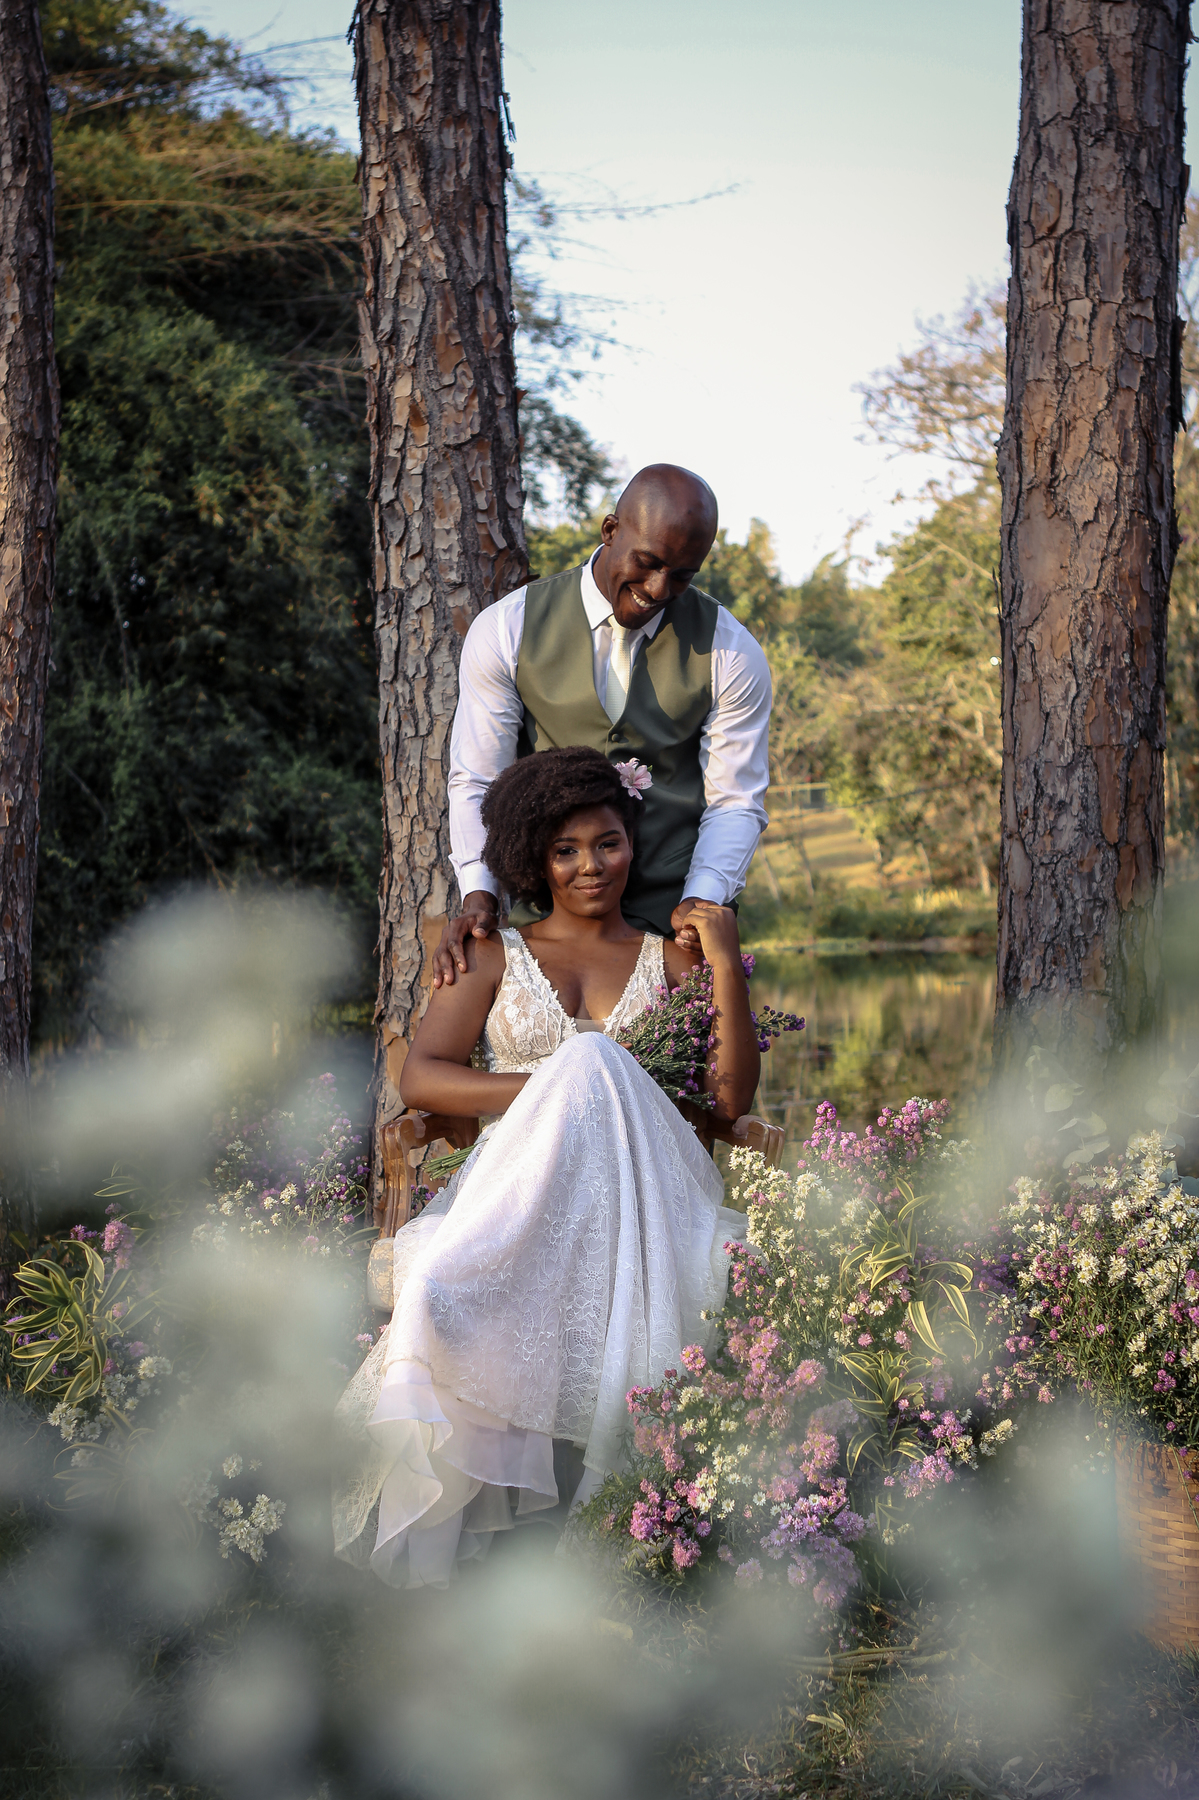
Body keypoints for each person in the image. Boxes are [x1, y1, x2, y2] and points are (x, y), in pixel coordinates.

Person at [333, 747, 761, 1588]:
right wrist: (556, 1086)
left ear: (631, 842)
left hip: (643, 1192)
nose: (590, 865)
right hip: (519, 1188)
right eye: (565, 850)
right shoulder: (494, 954)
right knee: (441, 1282)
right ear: (536, 858)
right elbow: (422, 1076)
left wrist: (723, 964)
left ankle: (627, 1529)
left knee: (595, 1066)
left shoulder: (668, 960)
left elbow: (730, 1095)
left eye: (607, 843)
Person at [433, 462, 772, 984]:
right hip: (541, 929)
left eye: (682, 575)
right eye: (649, 561)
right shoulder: (506, 628)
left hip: (671, 931)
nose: (659, 589)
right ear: (610, 530)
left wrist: (701, 898)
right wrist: (480, 891)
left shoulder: (730, 650)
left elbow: (735, 800)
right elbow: (480, 778)